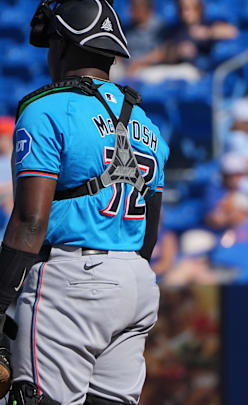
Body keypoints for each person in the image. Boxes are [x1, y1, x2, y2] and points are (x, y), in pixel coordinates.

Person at [0, 0, 169, 403]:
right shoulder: (147, 124)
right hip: (135, 284)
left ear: (61, 46)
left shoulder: (46, 109)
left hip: (70, 283)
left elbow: (30, 220)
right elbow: (149, 232)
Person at [128, 0, 238, 83]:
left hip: (194, 70)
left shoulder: (206, 24)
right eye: (181, 9)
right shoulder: (176, 29)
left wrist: (207, 33)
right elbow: (163, 51)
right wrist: (176, 50)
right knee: (143, 77)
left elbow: (231, 31)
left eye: (188, 9)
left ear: (198, 9)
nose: (185, 13)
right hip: (171, 68)